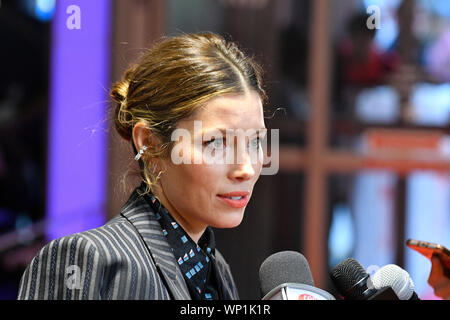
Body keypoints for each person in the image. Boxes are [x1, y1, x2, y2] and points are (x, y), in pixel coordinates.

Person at [17, 32, 268, 300]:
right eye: (216, 143)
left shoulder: (217, 271)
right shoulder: (89, 259)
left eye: (255, 142)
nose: (245, 169)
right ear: (148, 142)